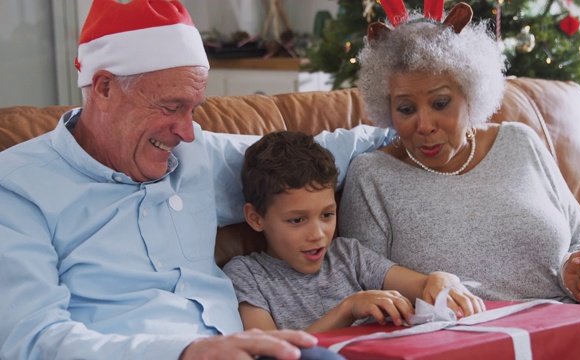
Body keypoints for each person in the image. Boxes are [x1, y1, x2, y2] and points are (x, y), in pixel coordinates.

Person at [0, 1, 396, 359]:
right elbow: (30, 340)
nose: (188, 132)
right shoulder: (18, 188)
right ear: (104, 87)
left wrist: (414, 128)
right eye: (172, 107)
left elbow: (318, 156)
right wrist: (186, 351)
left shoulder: (194, 155)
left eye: (194, 109)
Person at [338, 2, 580, 305]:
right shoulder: (372, 175)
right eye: (405, 109)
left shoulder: (520, 142)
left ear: (470, 95)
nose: (425, 125)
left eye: (440, 103)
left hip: (561, 326)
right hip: (461, 341)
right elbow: (362, 288)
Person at [222, 131, 484, 333]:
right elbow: (269, 350)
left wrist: (439, 280)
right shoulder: (246, 275)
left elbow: (424, 285)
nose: (318, 234)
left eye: (327, 215)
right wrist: (348, 309)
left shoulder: (348, 255)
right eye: (297, 220)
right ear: (255, 218)